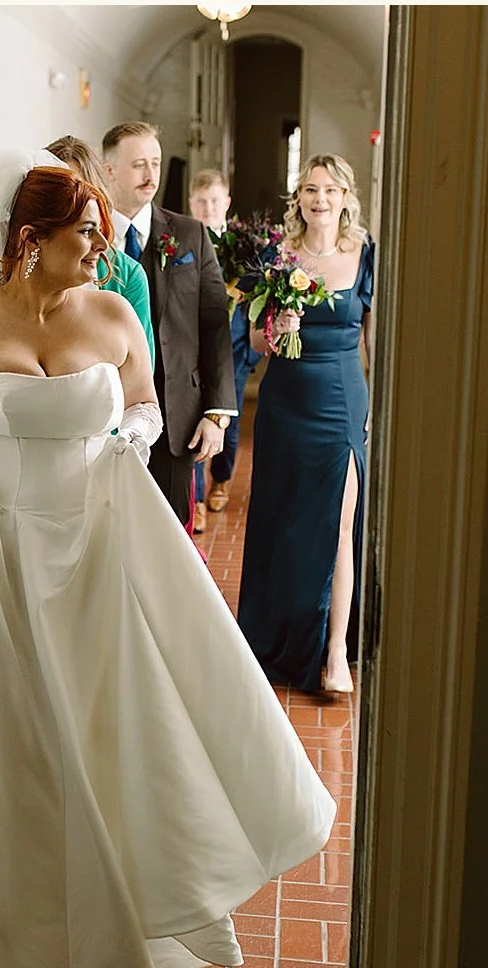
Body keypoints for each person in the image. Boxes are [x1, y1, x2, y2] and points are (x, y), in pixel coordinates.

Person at [0, 151, 336, 968]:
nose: (102, 254)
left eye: (104, 236)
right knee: (1, 736)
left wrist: (132, 435)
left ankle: (132, 913)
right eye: (85, 238)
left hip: (92, 547)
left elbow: (145, 403)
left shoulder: (112, 312)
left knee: (107, 725)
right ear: (30, 242)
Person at [237, 154, 375, 695]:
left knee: (339, 526)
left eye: (331, 190)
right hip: (285, 403)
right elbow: (252, 343)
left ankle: (335, 648)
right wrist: (277, 324)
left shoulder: (366, 255)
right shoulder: (276, 257)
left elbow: (376, 339)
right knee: (284, 523)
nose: (320, 199)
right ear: (300, 199)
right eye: (311, 190)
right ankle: (282, 636)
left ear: (346, 198)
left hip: (342, 401)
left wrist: (377, 413)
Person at [100, 121, 236, 530]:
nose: (151, 175)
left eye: (155, 163)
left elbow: (214, 323)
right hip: (105, 412)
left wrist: (216, 414)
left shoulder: (189, 234)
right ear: (109, 171)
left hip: (178, 415)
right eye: (139, 164)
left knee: (171, 536)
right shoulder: (92, 237)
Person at [45, 135, 155, 369]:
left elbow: (142, 376)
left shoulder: (127, 275)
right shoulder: (16, 269)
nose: (74, 206)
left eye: (83, 192)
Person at [187, 170, 261, 516]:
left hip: (233, 348)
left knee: (226, 421)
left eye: (215, 201)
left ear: (227, 203)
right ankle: (196, 497)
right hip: (192, 348)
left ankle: (221, 480)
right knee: (191, 421)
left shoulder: (245, 246)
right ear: (192, 203)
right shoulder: (182, 239)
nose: (208, 208)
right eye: (201, 201)